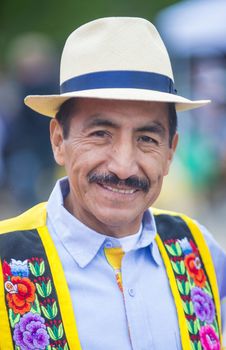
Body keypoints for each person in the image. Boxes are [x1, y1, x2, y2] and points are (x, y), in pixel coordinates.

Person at [0, 17, 225, 350]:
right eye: (100, 134)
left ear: (170, 152)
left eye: (147, 138)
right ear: (59, 140)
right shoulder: (6, 260)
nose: (123, 166)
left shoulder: (198, 249)